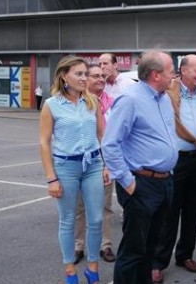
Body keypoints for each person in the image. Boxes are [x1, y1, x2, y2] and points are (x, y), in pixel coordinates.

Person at [102, 51, 179, 284]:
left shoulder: (164, 98)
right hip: (141, 184)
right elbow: (109, 144)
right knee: (133, 250)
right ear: (156, 75)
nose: (173, 76)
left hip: (164, 182)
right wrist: (128, 182)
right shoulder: (130, 99)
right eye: (171, 71)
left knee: (150, 248)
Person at [152, 54, 196, 281]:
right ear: (183, 71)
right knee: (169, 213)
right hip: (176, 160)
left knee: (194, 211)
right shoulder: (165, 94)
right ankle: (158, 262)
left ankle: (185, 255)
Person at [39, 56, 105, 284]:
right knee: (67, 220)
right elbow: (44, 142)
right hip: (65, 167)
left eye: (85, 74)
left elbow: (101, 135)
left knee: (96, 219)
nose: (84, 78)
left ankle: (93, 268)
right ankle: (70, 271)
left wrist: (106, 165)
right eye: (79, 74)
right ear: (64, 76)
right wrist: (51, 178)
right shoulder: (51, 105)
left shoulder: (93, 101)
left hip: (93, 165)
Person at [74, 65, 116, 265]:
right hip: (78, 163)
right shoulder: (75, 102)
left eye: (102, 76)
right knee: (79, 208)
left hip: (104, 162)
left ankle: (104, 245)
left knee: (104, 207)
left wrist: (108, 164)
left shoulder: (111, 103)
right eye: (96, 76)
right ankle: (78, 246)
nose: (101, 79)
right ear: (85, 79)